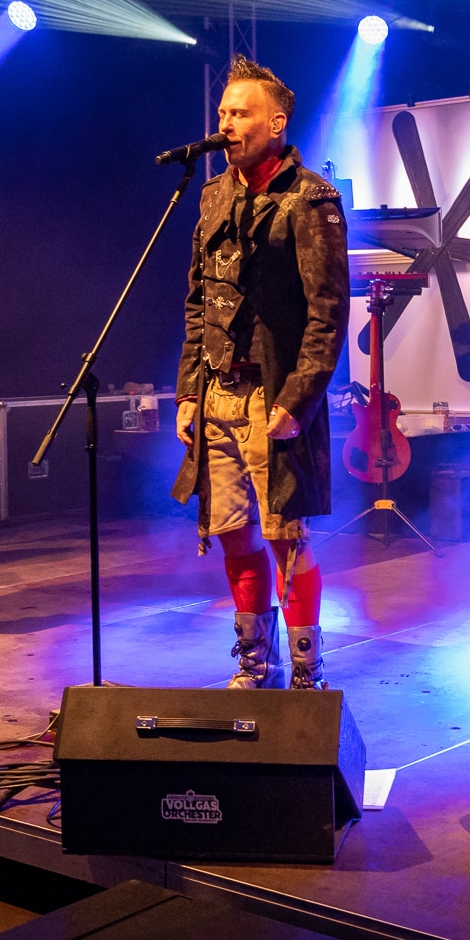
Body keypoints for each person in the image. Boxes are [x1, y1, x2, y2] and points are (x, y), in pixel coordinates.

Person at [174, 56, 350, 689]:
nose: (225, 124)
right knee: (231, 531)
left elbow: (328, 312)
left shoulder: (311, 198)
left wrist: (297, 400)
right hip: (217, 391)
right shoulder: (212, 194)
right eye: (222, 112)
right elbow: (199, 302)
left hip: (272, 395)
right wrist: (187, 392)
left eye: (240, 113)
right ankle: (255, 661)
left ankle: (306, 669)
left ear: (276, 123)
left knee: (285, 535)